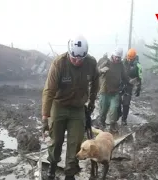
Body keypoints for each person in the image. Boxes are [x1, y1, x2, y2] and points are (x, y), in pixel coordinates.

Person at [41, 35, 99, 180]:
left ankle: (69, 173)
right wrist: (45, 116)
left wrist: (91, 102)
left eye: (81, 59)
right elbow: (49, 91)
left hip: (78, 108)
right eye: (74, 59)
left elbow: (96, 82)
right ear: (69, 52)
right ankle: (52, 167)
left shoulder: (91, 63)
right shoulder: (59, 64)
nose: (77, 61)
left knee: (76, 142)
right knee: (56, 140)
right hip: (59, 105)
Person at [97, 47, 129, 132]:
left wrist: (130, 82)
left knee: (114, 109)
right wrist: (101, 70)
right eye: (116, 57)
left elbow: (124, 76)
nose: (117, 59)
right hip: (104, 91)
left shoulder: (121, 65)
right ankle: (101, 124)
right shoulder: (106, 62)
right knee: (103, 111)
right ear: (113, 55)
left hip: (115, 92)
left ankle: (112, 125)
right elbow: (96, 73)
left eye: (119, 58)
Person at [118, 48, 142, 125]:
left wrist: (138, 88)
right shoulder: (122, 62)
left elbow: (139, 77)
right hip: (120, 84)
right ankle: (118, 113)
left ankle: (124, 119)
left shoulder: (137, 65)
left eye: (131, 59)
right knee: (117, 101)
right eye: (128, 58)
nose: (129, 60)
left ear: (134, 57)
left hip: (129, 85)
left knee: (126, 103)